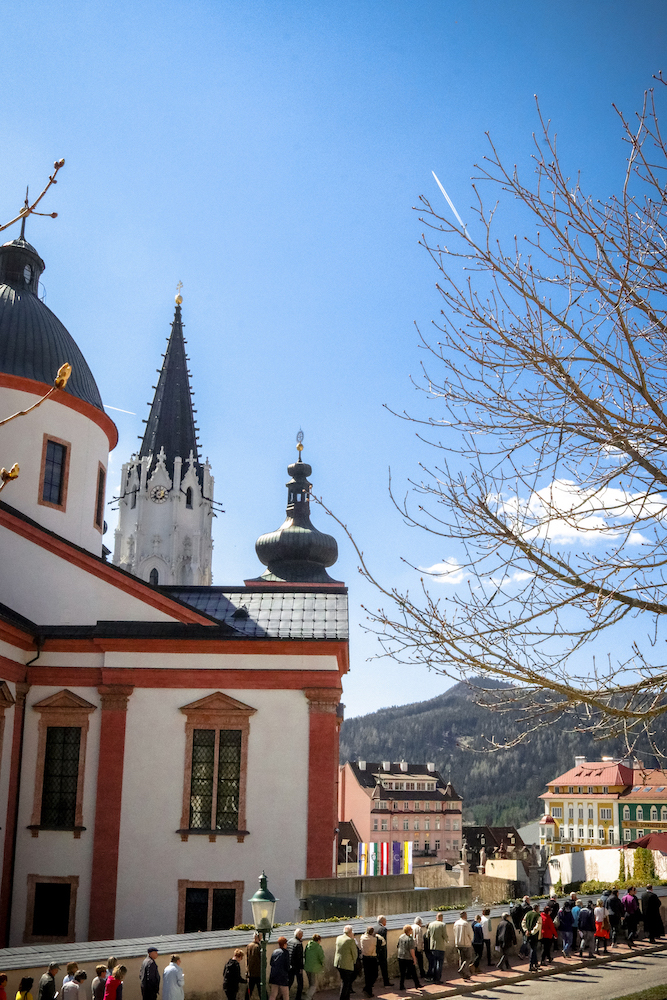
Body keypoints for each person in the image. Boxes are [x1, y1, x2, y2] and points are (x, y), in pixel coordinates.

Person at [333, 926, 358, 1000]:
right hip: (347, 964)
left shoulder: (339, 938)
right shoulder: (350, 940)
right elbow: (354, 953)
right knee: (346, 983)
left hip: (338, 963)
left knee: (345, 981)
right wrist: (354, 961)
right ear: (350, 932)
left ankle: (347, 998)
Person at [396, 925, 420, 990]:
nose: (412, 930)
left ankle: (401, 985)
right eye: (411, 929)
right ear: (409, 931)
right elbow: (411, 949)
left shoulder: (401, 937)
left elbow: (398, 945)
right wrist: (414, 958)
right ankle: (417, 984)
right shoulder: (410, 939)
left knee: (402, 972)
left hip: (400, 956)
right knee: (413, 972)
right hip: (408, 957)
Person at [426, 912, 448, 984]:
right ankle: (437, 978)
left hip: (432, 946)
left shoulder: (431, 924)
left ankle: (433, 977)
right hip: (440, 946)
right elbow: (444, 935)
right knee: (439, 963)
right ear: (441, 918)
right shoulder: (442, 925)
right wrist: (447, 940)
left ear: (436, 917)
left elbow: (427, 935)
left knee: (434, 962)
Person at [372, 916, 392, 988]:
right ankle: (386, 982)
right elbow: (383, 941)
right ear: (383, 921)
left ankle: (372, 983)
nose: (386, 922)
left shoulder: (374, 928)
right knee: (384, 967)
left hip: (374, 950)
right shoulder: (383, 929)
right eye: (385, 921)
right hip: (382, 951)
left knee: (374, 968)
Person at [453, 911, 474, 980]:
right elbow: (470, 934)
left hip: (458, 943)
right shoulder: (466, 923)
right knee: (468, 958)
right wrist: (471, 940)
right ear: (464, 915)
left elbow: (454, 932)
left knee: (461, 959)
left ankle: (464, 974)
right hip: (466, 943)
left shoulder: (456, 923)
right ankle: (462, 970)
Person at [304, 934, 325, 1000]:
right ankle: (308, 997)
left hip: (307, 967)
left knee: (310, 983)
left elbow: (305, 954)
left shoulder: (308, 945)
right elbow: (321, 958)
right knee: (313, 985)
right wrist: (323, 965)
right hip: (314, 968)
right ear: (318, 940)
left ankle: (310, 996)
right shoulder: (318, 947)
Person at [359, 926, 378, 998]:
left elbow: (364, 935)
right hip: (372, 958)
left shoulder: (362, 938)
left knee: (367, 975)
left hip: (364, 957)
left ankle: (368, 990)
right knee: (374, 974)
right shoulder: (374, 939)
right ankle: (367, 988)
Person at [522, 903, 541, 972]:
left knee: (533, 948)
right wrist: (532, 932)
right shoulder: (538, 915)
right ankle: (531, 965)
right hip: (534, 935)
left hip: (527, 934)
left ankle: (535, 963)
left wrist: (526, 930)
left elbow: (523, 922)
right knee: (533, 949)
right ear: (537, 908)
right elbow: (538, 925)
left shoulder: (528, 914)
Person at [287, 930, 304, 1000]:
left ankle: (285, 996)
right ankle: (298, 998)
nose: (302, 936)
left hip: (290, 965)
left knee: (290, 982)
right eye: (302, 934)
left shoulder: (289, 941)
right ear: (299, 935)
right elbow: (299, 957)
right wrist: (301, 968)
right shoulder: (298, 944)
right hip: (297, 967)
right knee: (300, 983)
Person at [246, 934, 261, 1000]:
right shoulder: (258, 947)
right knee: (261, 990)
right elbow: (262, 959)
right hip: (258, 972)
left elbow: (246, 958)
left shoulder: (249, 946)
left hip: (250, 972)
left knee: (249, 991)